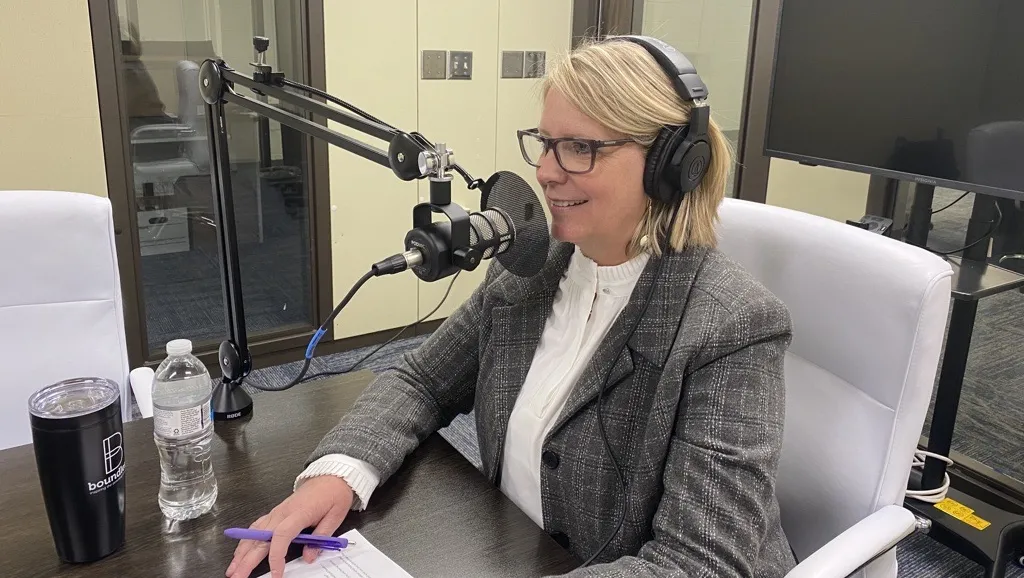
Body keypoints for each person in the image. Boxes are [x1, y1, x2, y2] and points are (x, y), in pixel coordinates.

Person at [226, 36, 796, 578]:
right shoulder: (537, 261)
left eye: (580, 148)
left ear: (670, 165)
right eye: (546, 143)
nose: (546, 172)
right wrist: (340, 472)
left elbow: (700, 564)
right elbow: (424, 378)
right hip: (515, 549)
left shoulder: (732, 326)